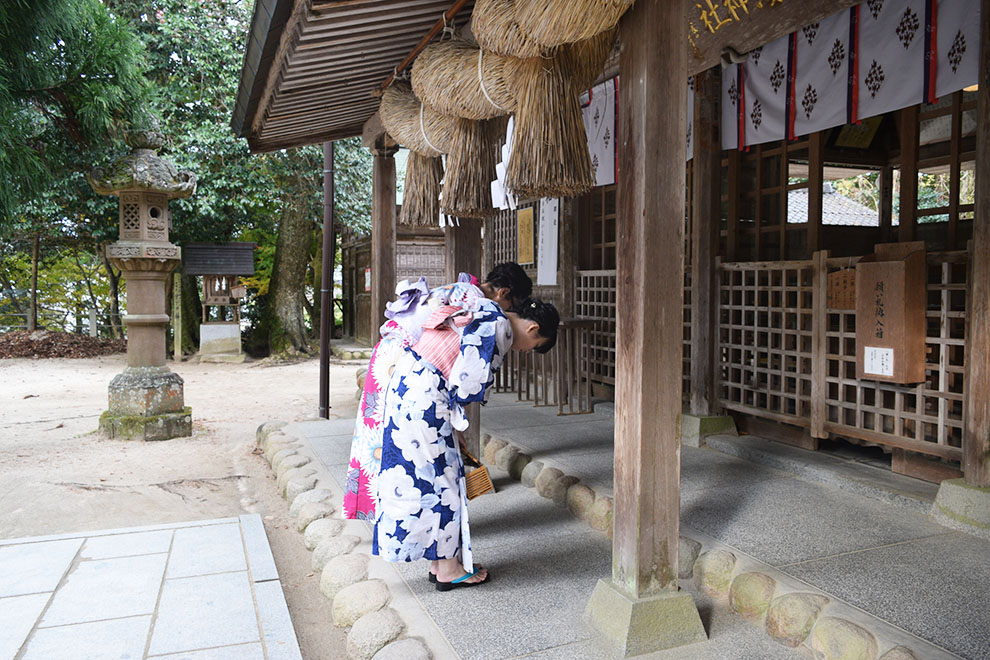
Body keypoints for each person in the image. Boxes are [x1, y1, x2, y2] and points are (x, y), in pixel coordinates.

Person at [373, 289, 559, 590]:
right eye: (533, 346)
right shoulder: (498, 326)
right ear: (533, 327)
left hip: (408, 385)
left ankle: (440, 562)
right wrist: (457, 426)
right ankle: (448, 569)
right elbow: (467, 385)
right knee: (445, 482)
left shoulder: (483, 307)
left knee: (426, 477)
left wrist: (455, 431)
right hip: (427, 395)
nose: (526, 351)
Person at [343, 263, 533, 521]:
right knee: (386, 436)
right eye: (512, 304)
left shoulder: (463, 288)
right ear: (503, 292)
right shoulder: (476, 299)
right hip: (404, 359)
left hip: (391, 352)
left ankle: (371, 506)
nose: (510, 312)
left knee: (376, 432)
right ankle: (384, 508)